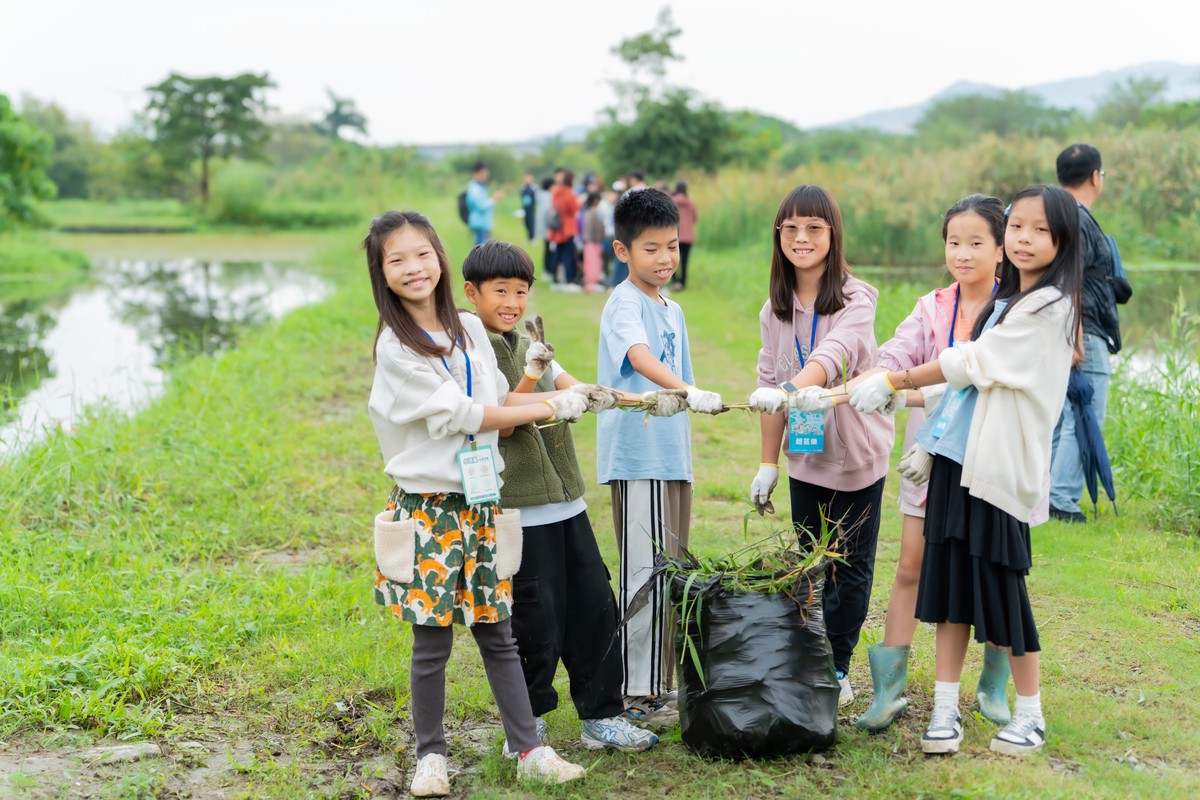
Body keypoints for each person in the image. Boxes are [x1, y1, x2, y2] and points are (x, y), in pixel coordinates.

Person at [849, 184, 1082, 757]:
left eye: (1039, 231)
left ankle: (1029, 713)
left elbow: (973, 364)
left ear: (1063, 240)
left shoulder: (1049, 307)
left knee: (1004, 590)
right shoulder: (1000, 301)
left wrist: (897, 383)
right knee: (948, 586)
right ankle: (945, 710)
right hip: (955, 460)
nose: (1024, 239)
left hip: (1000, 469)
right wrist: (885, 382)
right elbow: (949, 378)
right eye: (1019, 226)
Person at [363, 211, 587, 794]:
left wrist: (539, 379)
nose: (413, 268)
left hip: (480, 497)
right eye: (397, 259)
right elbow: (464, 416)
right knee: (432, 639)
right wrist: (548, 410)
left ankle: (529, 748)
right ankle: (430, 757)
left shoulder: (467, 328)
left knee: (498, 629)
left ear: (439, 257)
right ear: (382, 273)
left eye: (422, 254)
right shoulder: (395, 346)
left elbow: (498, 407)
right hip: (428, 508)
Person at [462, 240, 659, 753]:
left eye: (521, 291)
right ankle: (527, 727)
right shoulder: (473, 348)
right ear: (471, 293)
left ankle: (603, 715)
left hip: (567, 502)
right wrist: (541, 382)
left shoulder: (530, 338)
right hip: (518, 509)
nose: (512, 301)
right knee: (535, 619)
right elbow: (501, 418)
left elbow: (574, 384)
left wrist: (641, 398)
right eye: (500, 290)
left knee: (594, 607)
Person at [849, 194, 1012, 733]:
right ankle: (888, 690)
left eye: (975, 242)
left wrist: (904, 391)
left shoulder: (1012, 311)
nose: (962, 253)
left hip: (985, 458)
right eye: (953, 242)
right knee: (910, 567)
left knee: (989, 568)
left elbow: (982, 384)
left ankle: (992, 680)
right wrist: (877, 377)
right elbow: (897, 356)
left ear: (1001, 247)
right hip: (927, 463)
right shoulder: (932, 305)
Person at [744, 185, 894, 707]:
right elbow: (770, 385)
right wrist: (768, 462)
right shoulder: (774, 309)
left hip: (856, 454)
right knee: (810, 561)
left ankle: (839, 665)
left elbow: (832, 355)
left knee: (850, 565)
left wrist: (789, 389)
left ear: (833, 234)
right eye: (791, 229)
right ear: (778, 236)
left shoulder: (857, 297)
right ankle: (811, 653)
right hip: (806, 458)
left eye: (814, 228)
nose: (802, 238)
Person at [596, 188, 724, 725]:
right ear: (623, 251)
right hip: (637, 457)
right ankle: (636, 691)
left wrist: (690, 393)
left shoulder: (673, 308)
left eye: (671, 246)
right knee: (643, 572)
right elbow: (638, 356)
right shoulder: (624, 303)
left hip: (671, 458)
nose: (666, 258)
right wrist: (688, 391)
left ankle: (659, 685)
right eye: (651, 248)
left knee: (670, 569)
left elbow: (681, 375)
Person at [1048, 144, 1132, 523]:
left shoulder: (1059, 214)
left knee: (1060, 413)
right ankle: (1061, 501)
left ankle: (1046, 493)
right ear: (1096, 176)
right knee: (1084, 412)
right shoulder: (1076, 217)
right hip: (1084, 330)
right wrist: (1076, 336)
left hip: (1065, 329)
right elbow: (1071, 279)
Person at [548, 168, 580, 289]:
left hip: (557, 228)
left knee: (557, 254)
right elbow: (573, 210)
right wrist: (580, 202)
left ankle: (555, 280)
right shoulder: (570, 194)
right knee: (568, 255)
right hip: (568, 228)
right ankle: (567, 280)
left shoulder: (555, 193)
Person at [466, 162, 502, 246]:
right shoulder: (474, 189)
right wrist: (494, 199)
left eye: (486, 174)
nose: (485, 176)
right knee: (480, 253)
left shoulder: (481, 186)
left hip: (483, 224)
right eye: (483, 174)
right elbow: (480, 206)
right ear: (476, 173)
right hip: (479, 224)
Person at [671, 181, 698, 291]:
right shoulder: (691, 203)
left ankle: (674, 280)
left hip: (675, 236)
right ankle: (683, 282)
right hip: (688, 237)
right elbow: (695, 218)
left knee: (672, 259)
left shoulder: (672, 201)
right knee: (685, 261)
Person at [581, 192, 606, 292]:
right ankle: (592, 283)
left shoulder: (587, 211)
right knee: (594, 262)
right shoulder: (594, 212)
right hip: (594, 241)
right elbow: (597, 228)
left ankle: (590, 282)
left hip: (588, 241)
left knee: (589, 262)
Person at [534, 177, 555, 282]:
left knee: (547, 249)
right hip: (549, 228)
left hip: (543, 228)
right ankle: (548, 271)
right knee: (549, 250)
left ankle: (547, 271)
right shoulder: (549, 197)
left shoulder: (541, 196)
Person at [520, 173, 537, 243]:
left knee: (531, 222)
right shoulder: (523, 187)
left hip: (531, 208)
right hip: (525, 207)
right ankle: (528, 237)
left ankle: (532, 238)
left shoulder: (534, 187)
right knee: (526, 222)